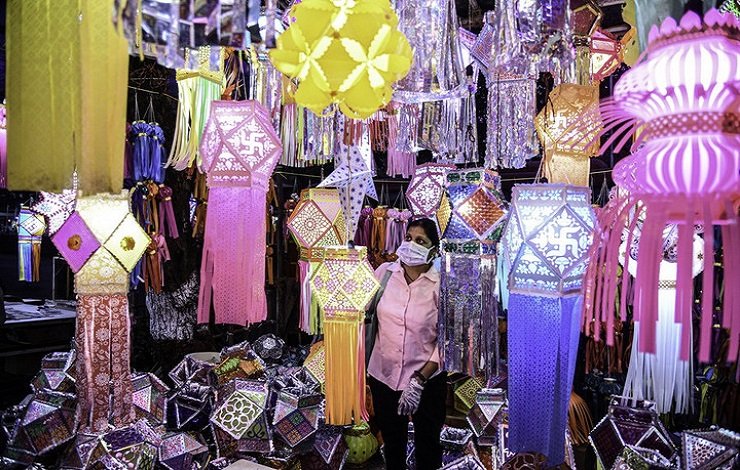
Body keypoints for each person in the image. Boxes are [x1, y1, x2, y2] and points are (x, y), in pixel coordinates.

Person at [367, 217, 446, 469]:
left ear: (434, 250)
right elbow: (361, 310)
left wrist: (420, 379)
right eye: (409, 238)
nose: (411, 245)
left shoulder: (442, 284)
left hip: (426, 380)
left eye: (420, 241)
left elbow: (449, 340)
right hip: (383, 375)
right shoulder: (384, 274)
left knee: (428, 446)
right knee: (392, 445)